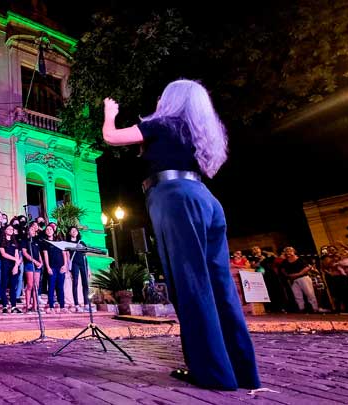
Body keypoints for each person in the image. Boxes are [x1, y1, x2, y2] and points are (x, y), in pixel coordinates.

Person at [102, 79, 260, 390]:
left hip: (174, 196)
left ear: (172, 99)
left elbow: (111, 137)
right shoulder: (198, 130)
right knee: (220, 287)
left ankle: (213, 374)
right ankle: (242, 371)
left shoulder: (163, 123)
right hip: (206, 199)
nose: (160, 98)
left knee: (190, 285)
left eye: (164, 94)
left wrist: (110, 112)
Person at [278, 246, 321, 313]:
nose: (288, 252)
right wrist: (288, 275)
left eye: (290, 250)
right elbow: (282, 269)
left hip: (303, 278)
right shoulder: (285, 262)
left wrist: (299, 273)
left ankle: (315, 308)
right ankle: (302, 309)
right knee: (297, 295)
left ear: (294, 251)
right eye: (287, 251)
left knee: (309, 294)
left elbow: (307, 267)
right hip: (293, 279)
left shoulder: (300, 259)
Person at [42, 225, 68, 314]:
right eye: (47, 229)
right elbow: (45, 256)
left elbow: (64, 254)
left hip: (61, 267)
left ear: (54, 231)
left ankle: (62, 306)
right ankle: (51, 306)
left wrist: (65, 265)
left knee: (60, 287)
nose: (49, 231)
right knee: (51, 287)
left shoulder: (59, 242)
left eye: (50, 229)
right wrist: (48, 267)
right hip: (52, 267)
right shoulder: (45, 243)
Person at [0, 224, 23, 314]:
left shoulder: (15, 241)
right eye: (8, 229)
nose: (10, 230)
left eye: (12, 229)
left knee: (13, 286)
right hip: (5, 265)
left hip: (14, 266)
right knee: (4, 285)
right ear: (5, 230)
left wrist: (16, 266)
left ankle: (13, 306)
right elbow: (3, 254)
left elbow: (17, 254)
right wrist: (15, 260)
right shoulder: (2, 241)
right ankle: (4, 305)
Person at [67, 226, 92, 312]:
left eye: (75, 230)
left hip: (83, 264)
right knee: (75, 283)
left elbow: (85, 256)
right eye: (72, 230)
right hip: (74, 264)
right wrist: (68, 269)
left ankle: (86, 304)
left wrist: (89, 268)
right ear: (70, 233)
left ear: (77, 232)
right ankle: (77, 305)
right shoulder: (68, 243)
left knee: (85, 284)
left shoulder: (82, 243)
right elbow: (67, 256)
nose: (74, 232)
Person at [21, 221, 43, 313]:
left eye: (34, 230)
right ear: (28, 230)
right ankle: (27, 306)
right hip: (30, 264)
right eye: (31, 229)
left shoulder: (36, 241)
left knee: (36, 286)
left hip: (38, 265)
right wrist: (34, 261)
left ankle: (35, 306)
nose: (33, 231)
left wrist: (41, 262)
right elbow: (25, 253)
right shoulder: (25, 241)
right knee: (30, 285)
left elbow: (38, 253)